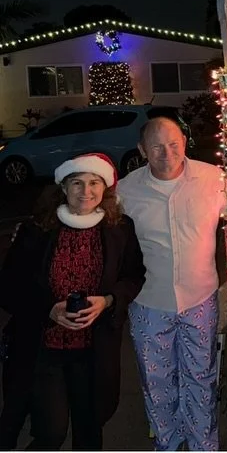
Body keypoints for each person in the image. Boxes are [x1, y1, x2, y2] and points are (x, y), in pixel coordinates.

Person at [0, 154, 145, 450]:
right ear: (63, 188)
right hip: (45, 349)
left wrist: (107, 300)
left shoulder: (120, 228)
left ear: (105, 188)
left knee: (90, 430)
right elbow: (7, 286)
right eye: (76, 183)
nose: (86, 191)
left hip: (94, 351)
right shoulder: (37, 230)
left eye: (94, 183)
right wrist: (48, 309)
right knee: (50, 432)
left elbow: (134, 276)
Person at [117, 117, 227, 451]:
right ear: (141, 150)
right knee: (157, 382)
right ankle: (167, 443)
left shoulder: (213, 179)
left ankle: (202, 444)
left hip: (200, 298)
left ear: (184, 141)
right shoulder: (125, 191)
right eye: (156, 147)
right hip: (149, 303)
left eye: (173, 144)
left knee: (201, 378)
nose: (166, 153)